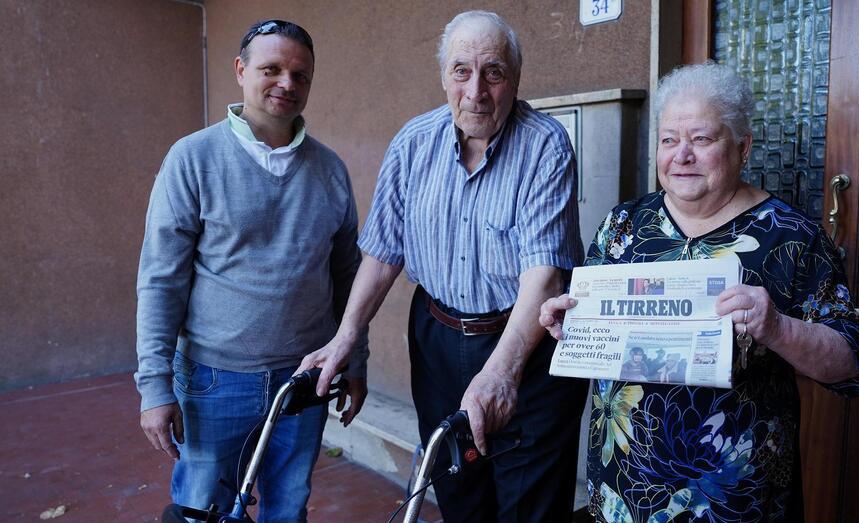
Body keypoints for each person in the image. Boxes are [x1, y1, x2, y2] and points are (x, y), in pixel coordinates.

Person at [539, 62, 859, 522]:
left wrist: (777, 328)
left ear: (742, 148)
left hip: (732, 499)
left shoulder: (791, 238)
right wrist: (567, 319)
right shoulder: (623, 226)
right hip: (625, 492)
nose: (682, 155)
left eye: (701, 139)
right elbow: (594, 324)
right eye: (668, 140)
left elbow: (853, 362)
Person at [297, 10, 588, 522]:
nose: (475, 90)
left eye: (493, 73)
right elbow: (383, 253)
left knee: (531, 502)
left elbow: (542, 275)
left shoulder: (545, 143)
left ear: (515, 80)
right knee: (457, 487)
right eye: (461, 71)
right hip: (439, 338)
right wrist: (346, 336)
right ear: (444, 76)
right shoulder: (412, 143)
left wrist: (501, 373)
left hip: (529, 342)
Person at [134, 20, 367, 521]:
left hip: (305, 380)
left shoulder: (329, 170)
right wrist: (154, 386)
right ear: (241, 71)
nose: (287, 83)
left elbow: (350, 275)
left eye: (300, 74)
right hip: (212, 380)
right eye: (272, 69)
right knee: (203, 509)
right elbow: (160, 280)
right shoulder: (191, 159)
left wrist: (354, 359)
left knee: (288, 506)